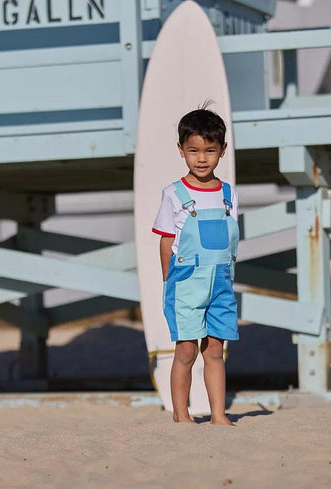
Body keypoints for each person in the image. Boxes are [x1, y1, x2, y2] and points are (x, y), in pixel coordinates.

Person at [152, 106, 240, 425]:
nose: (201, 159)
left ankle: (218, 414)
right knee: (186, 351)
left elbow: (230, 244)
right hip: (186, 283)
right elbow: (165, 241)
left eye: (210, 151)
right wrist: (168, 281)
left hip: (221, 284)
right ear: (181, 150)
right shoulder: (174, 194)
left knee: (215, 350)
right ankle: (181, 415)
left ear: (222, 150)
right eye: (193, 151)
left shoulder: (229, 195)